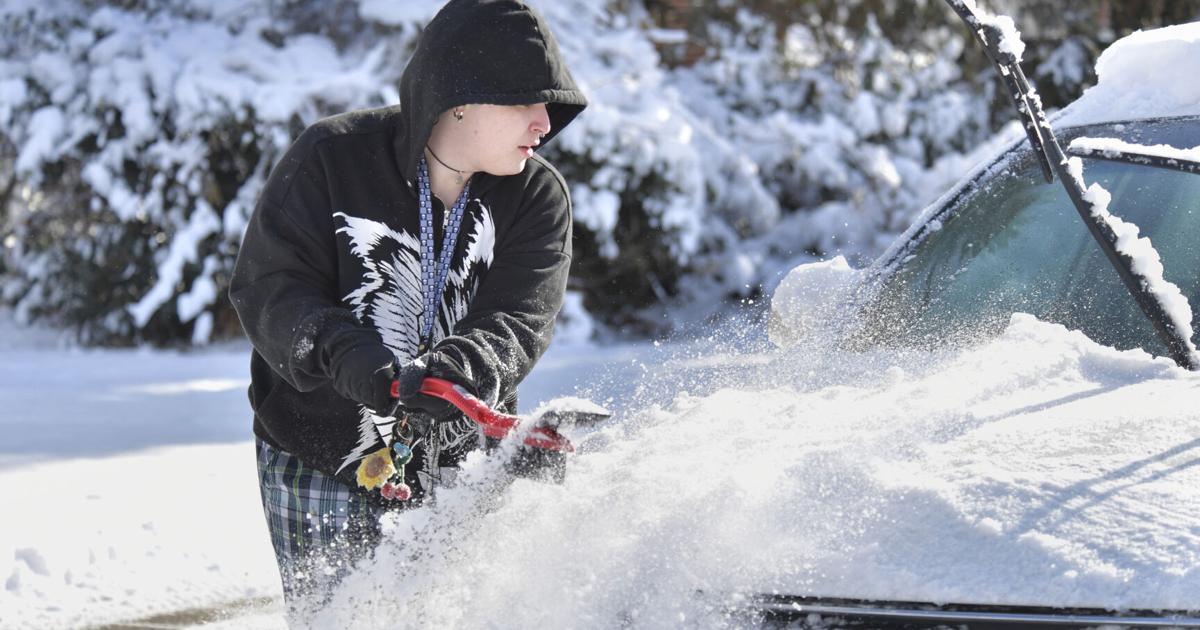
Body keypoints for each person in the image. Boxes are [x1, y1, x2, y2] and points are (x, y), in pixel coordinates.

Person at [228, 0, 586, 619]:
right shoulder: (330, 159)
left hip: (459, 460)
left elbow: (520, 315)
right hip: (320, 451)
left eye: (549, 106)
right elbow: (272, 287)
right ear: (461, 98)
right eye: (528, 102)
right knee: (340, 618)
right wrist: (348, 355)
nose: (542, 123)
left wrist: (459, 369)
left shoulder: (537, 196)